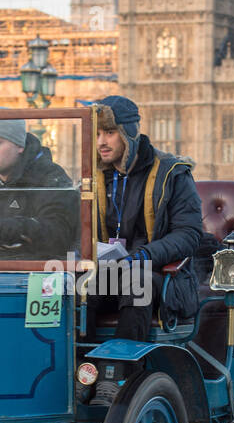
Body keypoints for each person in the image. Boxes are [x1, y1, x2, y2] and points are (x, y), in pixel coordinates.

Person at [86, 94, 203, 404]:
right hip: (109, 273)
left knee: (136, 283)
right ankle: (78, 374)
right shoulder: (95, 176)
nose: (102, 141)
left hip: (163, 278)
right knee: (70, 289)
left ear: (129, 133)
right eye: (97, 133)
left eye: (109, 133)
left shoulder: (172, 173)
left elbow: (190, 234)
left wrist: (144, 255)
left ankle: (115, 380)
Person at [0, 119, 77, 259]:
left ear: (20, 146)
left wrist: (24, 227)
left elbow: (60, 233)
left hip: (35, 269)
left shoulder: (50, 178)